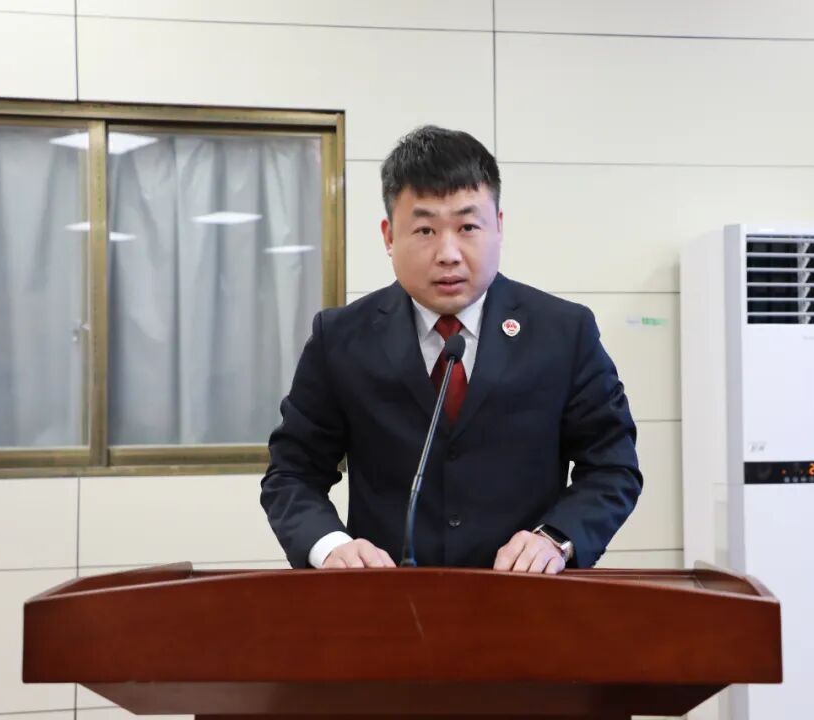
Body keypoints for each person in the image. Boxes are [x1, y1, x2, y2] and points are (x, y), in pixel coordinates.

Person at [260, 126, 642, 574]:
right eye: (425, 229)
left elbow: (613, 467)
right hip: (387, 597)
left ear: (498, 227)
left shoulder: (563, 332)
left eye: (467, 227)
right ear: (388, 236)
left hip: (528, 596)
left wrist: (557, 538)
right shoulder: (341, 338)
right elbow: (292, 473)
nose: (448, 254)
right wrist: (330, 547)